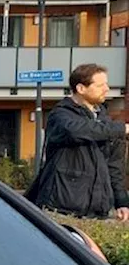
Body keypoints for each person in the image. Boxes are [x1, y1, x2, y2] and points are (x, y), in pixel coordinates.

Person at [25, 64, 129, 220]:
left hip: (97, 210)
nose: (106, 89)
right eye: (100, 85)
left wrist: (121, 201)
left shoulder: (104, 120)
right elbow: (76, 130)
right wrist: (121, 128)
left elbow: (114, 165)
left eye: (106, 84)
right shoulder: (61, 115)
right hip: (62, 208)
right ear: (81, 88)